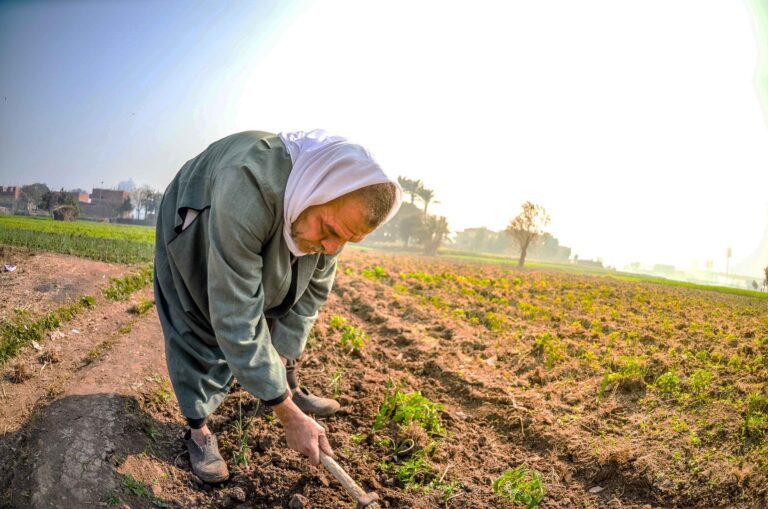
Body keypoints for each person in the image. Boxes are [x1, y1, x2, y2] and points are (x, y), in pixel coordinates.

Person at [153, 129, 402, 483]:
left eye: (346, 239)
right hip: (202, 212)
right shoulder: (246, 188)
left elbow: (312, 293)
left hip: (278, 212)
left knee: (292, 289)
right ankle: (198, 430)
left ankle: (286, 383)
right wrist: (287, 416)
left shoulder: (328, 211)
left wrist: (281, 370)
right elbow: (236, 311)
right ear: (316, 188)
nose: (332, 248)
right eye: (330, 230)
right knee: (199, 315)